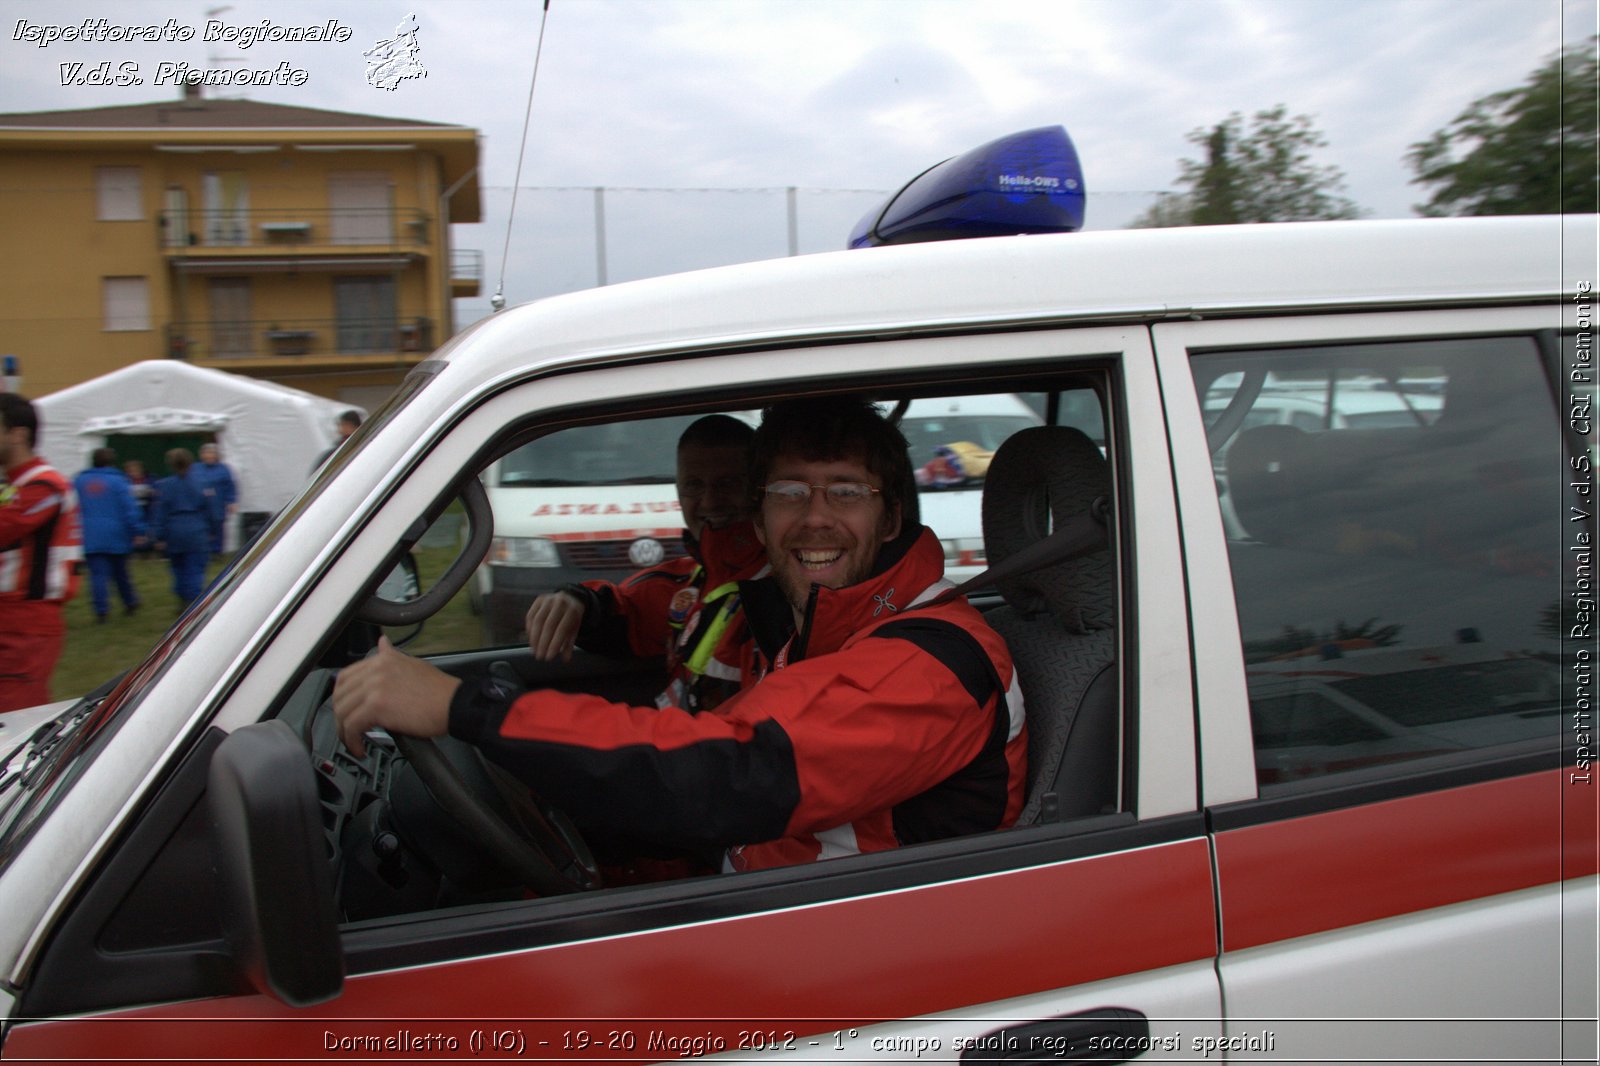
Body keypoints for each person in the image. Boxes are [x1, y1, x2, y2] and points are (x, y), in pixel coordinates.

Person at [333, 397, 1025, 874]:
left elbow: (729, 773)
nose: (815, 518)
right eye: (789, 493)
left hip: (852, 964)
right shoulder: (823, 621)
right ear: (760, 521)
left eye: (845, 491)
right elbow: (665, 610)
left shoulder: (930, 661)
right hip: (762, 896)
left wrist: (465, 709)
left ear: (891, 514)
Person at [523, 414, 764, 713]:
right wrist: (577, 602)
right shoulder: (690, 581)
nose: (710, 501)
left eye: (728, 483)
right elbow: (627, 611)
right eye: (694, 484)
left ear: (759, 489)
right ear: (678, 491)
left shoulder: (784, 593)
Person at [0, 393, 82, 713]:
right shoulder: (15, 485)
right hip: (14, 617)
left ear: (18, 434)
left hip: (26, 622)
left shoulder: (44, 486)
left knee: (13, 717)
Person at [74, 447, 145, 622]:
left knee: (97, 575)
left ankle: (101, 611)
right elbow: (129, 509)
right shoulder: (119, 481)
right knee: (121, 573)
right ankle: (130, 602)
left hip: (90, 534)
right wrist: (138, 530)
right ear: (112, 462)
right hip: (116, 534)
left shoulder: (79, 481)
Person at [150, 448, 216, 612]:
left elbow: (159, 511)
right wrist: (213, 529)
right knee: (195, 568)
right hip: (196, 529)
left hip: (174, 529)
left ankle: (181, 599)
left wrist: (158, 535)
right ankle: (193, 602)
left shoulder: (164, 485)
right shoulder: (203, 483)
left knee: (178, 568)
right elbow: (211, 510)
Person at [191, 442, 237, 555]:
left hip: (217, 503)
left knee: (218, 527)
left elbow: (230, 486)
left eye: (212, 453)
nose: (209, 456)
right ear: (201, 455)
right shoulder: (195, 468)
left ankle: (217, 552)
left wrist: (231, 501)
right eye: (206, 453)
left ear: (217, 455)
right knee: (202, 528)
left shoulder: (223, 469)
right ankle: (203, 551)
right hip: (200, 504)